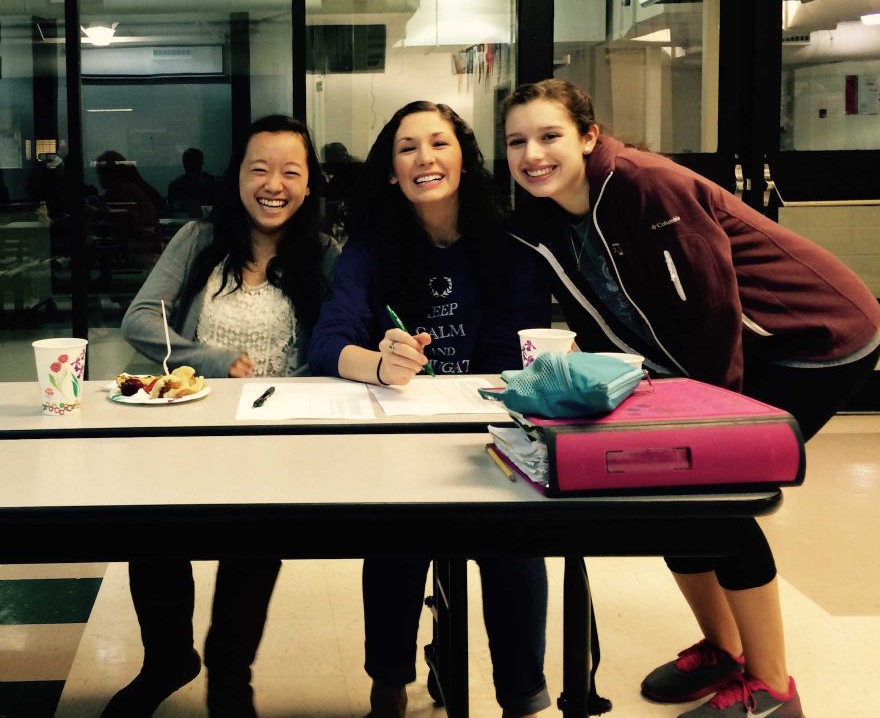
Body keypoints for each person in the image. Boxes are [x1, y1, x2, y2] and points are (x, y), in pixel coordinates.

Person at [502, 78, 880, 718]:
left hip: (814, 337)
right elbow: (605, 322)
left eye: (549, 136)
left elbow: (713, 313)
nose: (533, 154)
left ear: (589, 137)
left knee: (716, 502)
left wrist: (711, 430)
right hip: (723, 355)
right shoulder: (547, 221)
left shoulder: (648, 188)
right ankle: (723, 649)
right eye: (517, 141)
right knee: (671, 497)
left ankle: (772, 689)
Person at [309, 101, 553, 718]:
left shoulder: (511, 246)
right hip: (401, 431)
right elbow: (328, 344)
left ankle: (524, 697)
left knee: (514, 539)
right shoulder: (370, 249)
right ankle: (388, 685)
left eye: (439, 144)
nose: (425, 159)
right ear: (392, 171)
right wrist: (381, 363)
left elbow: (515, 354)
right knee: (394, 533)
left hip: (490, 431)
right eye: (408, 148)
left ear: (464, 159)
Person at [103, 115, 339, 718]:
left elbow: (343, 339)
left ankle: (230, 672)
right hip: (190, 422)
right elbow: (138, 319)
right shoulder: (198, 239)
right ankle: (167, 660)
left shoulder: (325, 255)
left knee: (254, 541)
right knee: (150, 531)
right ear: (238, 176)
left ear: (309, 184)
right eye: (259, 168)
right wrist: (207, 358)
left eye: (291, 171)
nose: (274, 184)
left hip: (279, 436)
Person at [168, 147, 217, 217]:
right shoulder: (210, 183)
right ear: (200, 164)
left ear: (184, 164)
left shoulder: (175, 185)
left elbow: (174, 209)